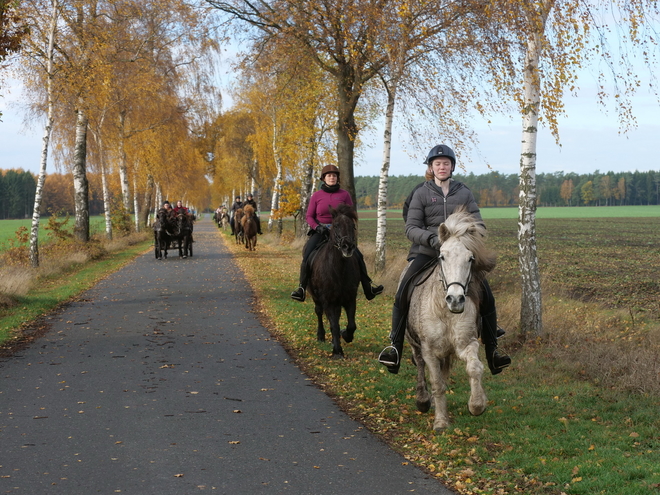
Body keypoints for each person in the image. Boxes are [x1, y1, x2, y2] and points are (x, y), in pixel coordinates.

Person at [378, 144, 511, 375]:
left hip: (457, 253)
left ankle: (493, 351)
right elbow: (410, 228)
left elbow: (479, 223)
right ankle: (395, 347)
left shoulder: (464, 192)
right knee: (403, 289)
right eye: (437, 164)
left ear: (452, 167)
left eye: (446, 163)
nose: (442, 167)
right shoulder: (421, 192)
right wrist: (431, 239)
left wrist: (466, 237)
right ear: (431, 167)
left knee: (486, 294)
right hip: (427, 251)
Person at [290, 164, 383, 303]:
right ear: (324, 178)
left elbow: (350, 214)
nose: (332, 177)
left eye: (334, 175)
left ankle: (368, 287)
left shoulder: (344, 195)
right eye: (329, 175)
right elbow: (309, 216)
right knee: (307, 256)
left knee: (358, 256)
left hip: (341, 232)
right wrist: (317, 227)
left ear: (337, 178)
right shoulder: (317, 196)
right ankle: (302, 288)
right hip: (321, 231)